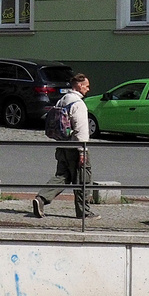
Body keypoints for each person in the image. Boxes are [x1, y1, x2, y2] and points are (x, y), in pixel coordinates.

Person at [33, 72, 97, 219]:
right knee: (83, 179)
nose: (89, 89)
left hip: (62, 145)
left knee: (62, 176)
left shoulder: (63, 100)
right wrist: (83, 151)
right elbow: (81, 130)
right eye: (86, 86)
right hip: (75, 147)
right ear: (79, 86)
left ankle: (41, 199)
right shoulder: (79, 104)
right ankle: (84, 212)